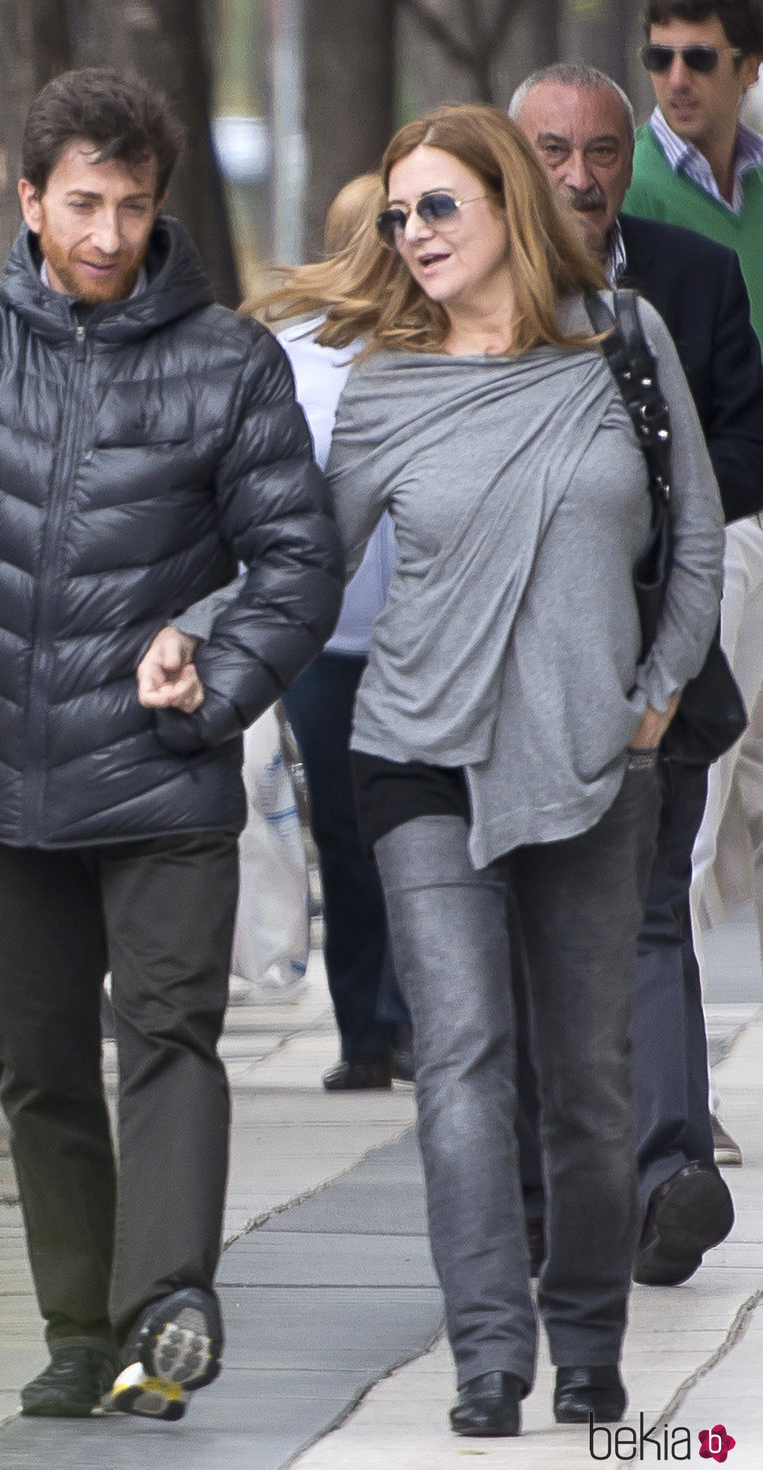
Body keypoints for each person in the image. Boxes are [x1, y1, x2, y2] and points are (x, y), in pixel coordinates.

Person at [142, 104, 724, 1437]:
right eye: (398, 215)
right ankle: (487, 1354)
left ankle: (586, 1338)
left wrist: (654, 696)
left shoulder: (625, 346)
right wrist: (194, 629)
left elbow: (692, 543)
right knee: (462, 1055)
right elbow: (306, 565)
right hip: (419, 754)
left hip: (591, 759)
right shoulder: (389, 383)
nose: (411, 235)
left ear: (509, 202)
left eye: (437, 207)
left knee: (586, 1075)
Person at [0, 67, 342, 1424]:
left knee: (170, 1034)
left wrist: (218, 665)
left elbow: (300, 562)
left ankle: (170, 1302)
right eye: (83, 203)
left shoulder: (228, 360)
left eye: (131, 204)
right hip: (6, 774)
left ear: (159, 203)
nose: (109, 233)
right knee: (43, 1065)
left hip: (166, 768)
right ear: (29, 199)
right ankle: (80, 1328)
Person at [511, 61, 763, 1285]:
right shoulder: (456, 289)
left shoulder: (693, 281)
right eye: (550, 149)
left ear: (628, 161)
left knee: (652, 911)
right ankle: (542, 1192)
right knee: (528, 930)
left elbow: (746, 447)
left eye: (600, 150)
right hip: (507, 680)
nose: (577, 174)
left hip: (658, 657)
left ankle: (669, 1177)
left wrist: (657, 543)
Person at [624, 0, 763, 1176]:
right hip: (708, 539)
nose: (674, 77)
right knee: (697, 805)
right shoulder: (615, 201)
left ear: (746, 70)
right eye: (657, 57)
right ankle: (676, 1087)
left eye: (697, 58)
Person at [279, 173, 412, 1089]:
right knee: (345, 834)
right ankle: (366, 1031)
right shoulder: (293, 355)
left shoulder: (446, 344)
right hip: (327, 642)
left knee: (421, 830)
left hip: (430, 638)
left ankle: (422, 1020)